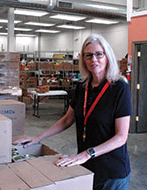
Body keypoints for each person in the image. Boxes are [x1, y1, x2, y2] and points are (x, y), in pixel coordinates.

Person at [13, 34, 132, 190]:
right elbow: (67, 120)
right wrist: (37, 138)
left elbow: (121, 137)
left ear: (107, 56)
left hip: (112, 170)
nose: (93, 60)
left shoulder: (119, 88)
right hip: (85, 165)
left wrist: (86, 154)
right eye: (88, 55)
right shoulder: (82, 87)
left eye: (98, 54)